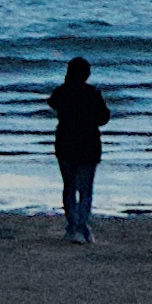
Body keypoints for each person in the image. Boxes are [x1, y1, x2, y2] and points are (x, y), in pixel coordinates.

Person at [48, 55, 113, 243]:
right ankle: (82, 225)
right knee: (85, 189)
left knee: (69, 186)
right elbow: (104, 118)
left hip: (66, 143)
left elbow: (53, 104)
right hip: (88, 144)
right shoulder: (92, 93)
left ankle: (73, 225)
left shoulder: (62, 92)